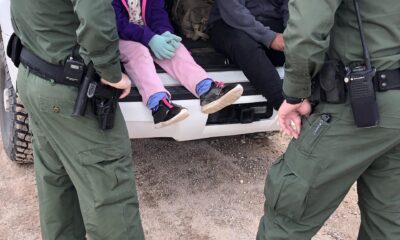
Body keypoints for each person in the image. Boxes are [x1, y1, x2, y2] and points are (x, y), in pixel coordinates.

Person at [257, 0, 400, 239]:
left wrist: (295, 92)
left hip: (356, 104)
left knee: (287, 218)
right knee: (388, 222)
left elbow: (306, 33)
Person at [10, 0, 145, 239]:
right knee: (111, 197)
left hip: (35, 73)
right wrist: (111, 72)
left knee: (58, 190)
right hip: (69, 91)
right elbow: (95, 18)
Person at [112, 0, 244, 128]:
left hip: (147, 33)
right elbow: (116, 22)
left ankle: (207, 90)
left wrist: (165, 32)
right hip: (117, 37)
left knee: (175, 48)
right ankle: (159, 106)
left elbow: (158, 14)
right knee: (138, 52)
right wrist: (149, 38)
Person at [208, 0, 288, 111]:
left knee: (307, 40)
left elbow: (292, 6)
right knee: (243, 44)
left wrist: (292, 32)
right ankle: (285, 106)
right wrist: (270, 37)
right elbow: (233, 11)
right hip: (229, 23)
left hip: (271, 22)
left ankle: (311, 103)